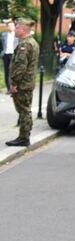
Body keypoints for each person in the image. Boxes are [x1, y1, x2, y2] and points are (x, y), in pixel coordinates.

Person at [5, 18, 39, 147]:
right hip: (27, 83)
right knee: (26, 110)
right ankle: (23, 136)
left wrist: (14, 84)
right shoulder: (33, 43)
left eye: (18, 27)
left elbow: (20, 67)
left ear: (24, 29)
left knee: (24, 111)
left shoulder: (25, 45)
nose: (16, 29)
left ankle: (24, 137)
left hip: (22, 85)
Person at [3, 20, 19, 91]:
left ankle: (13, 87)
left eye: (12, 26)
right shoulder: (4, 35)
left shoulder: (17, 35)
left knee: (13, 71)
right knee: (7, 72)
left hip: (14, 55)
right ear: (7, 27)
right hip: (6, 55)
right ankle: (8, 88)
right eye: (9, 26)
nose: (10, 27)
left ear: (14, 27)